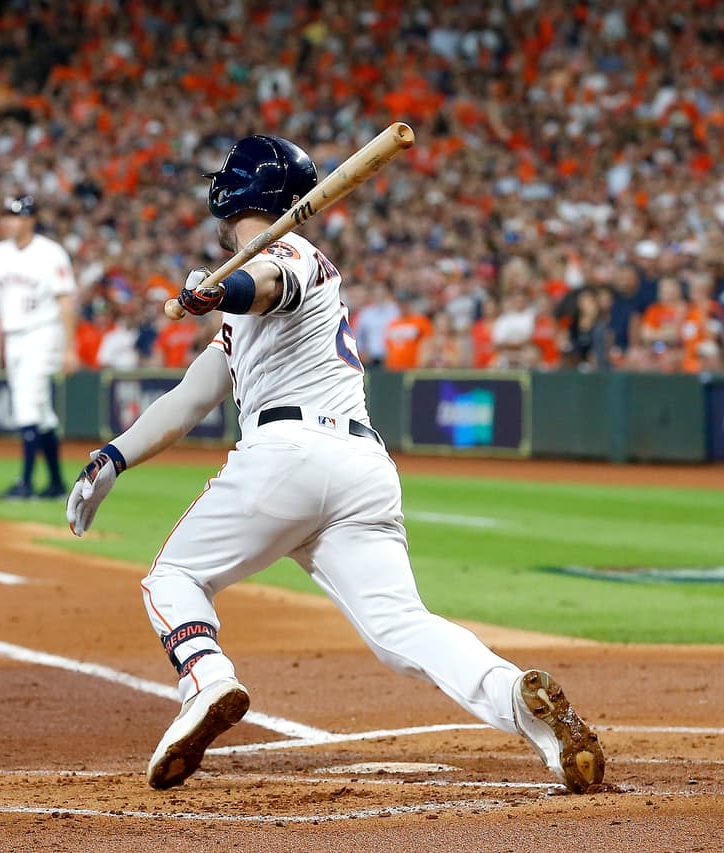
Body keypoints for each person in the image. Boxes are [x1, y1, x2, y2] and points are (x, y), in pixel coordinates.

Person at [65, 135, 605, 794]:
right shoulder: (266, 294)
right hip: (360, 469)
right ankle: (516, 699)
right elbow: (189, 399)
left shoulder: (290, 254)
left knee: (173, 577)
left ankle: (206, 679)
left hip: (289, 456)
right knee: (401, 628)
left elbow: (263, 285)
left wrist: (222, 290)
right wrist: (114, 455)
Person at [0, 194, 79, 500]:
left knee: (26, 403)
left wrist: (70, 347)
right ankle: (56, 483)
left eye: (16, 215)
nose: (9, 221)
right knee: (42, 412)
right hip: (12, 336)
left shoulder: (51, 253)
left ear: (31, 220)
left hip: (43, 332)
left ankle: (26, 482)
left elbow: (66, 302)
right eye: (6, 215)